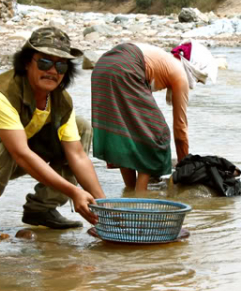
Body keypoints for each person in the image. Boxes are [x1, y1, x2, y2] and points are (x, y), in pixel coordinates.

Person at [0, 26, 105, 230]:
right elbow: (20, 154)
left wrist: (103, 205)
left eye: (61, 66)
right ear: (27, 62)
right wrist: (74, 192)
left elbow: (77, 156)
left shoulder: (60, 100)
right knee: (5, 148)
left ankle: (41, 209)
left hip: (12, 155)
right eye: (45, 62)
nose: (52, 71)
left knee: (81, 128)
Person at [90, 41, 218, 192]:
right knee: (158, 132)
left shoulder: (163, 59)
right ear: (194, 66)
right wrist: (185, 168)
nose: (195, 82)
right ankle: (141, 194)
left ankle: (130, 190)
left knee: (123, 132)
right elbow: (180, 128)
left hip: (102, 66)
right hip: (126, 66)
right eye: (198, 79)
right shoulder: (179, 73)